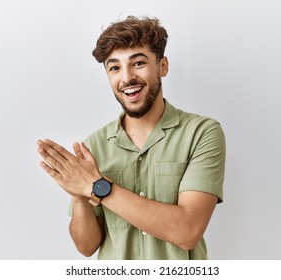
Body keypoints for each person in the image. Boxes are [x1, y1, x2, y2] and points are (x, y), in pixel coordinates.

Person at [37, 15, 226, 260]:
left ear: (163, 66)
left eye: (138, 63)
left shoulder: (202, 133)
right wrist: (78, 193)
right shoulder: (94, 146)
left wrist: (97, 187)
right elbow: (87, 246)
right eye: (114, 67)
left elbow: (187, 230)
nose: (126, 78)